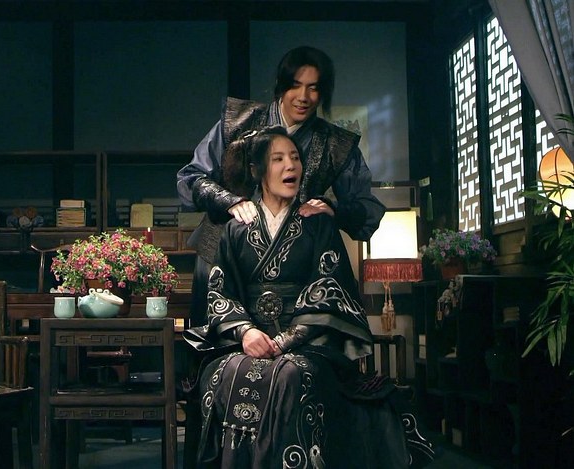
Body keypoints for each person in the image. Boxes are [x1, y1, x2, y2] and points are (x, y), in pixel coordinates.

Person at [184, 127, 434, 468]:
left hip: (309, 343)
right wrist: (246, 332)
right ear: (257, 171)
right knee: (224, 373)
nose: (291, 166)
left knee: (291, 375)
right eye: (278, 159)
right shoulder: (235, 228)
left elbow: (328, 290)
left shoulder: (318, 224)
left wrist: (285, 340)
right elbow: (220, 290)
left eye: (295, 158)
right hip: (249, 340)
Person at [177, 45, 386, 327]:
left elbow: (367, 209)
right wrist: (230, 202)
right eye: (295, 85)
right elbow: (190, 177)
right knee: (219, 340)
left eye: (313, 88)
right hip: (223, 257)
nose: (303, 97)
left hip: (294, 270)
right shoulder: (237, 122)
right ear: (280, 85)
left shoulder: (335, 143)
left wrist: (332, 208)